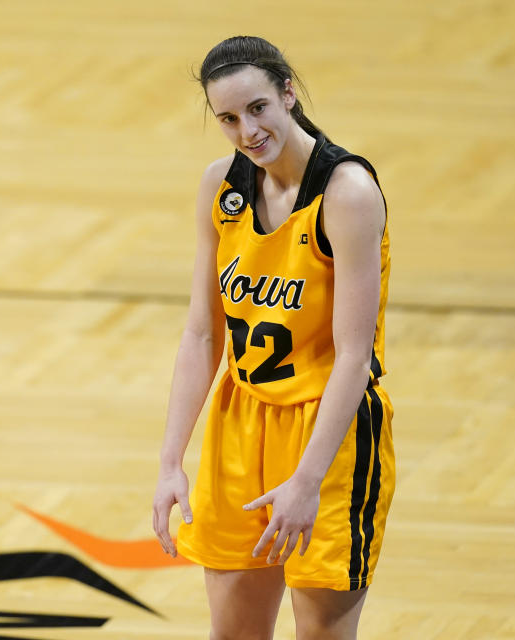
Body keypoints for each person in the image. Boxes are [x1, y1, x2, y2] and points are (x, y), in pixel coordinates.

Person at [152, 35, 394, 640]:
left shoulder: (347, 195)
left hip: (328, 432)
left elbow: (353, 357)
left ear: (289, 91)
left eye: (258, 108)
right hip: (242, 424)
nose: (247, 131)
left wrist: (307, 480)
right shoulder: (221, 186)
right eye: (228, 119)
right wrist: (170, 461)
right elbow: (203, 334)